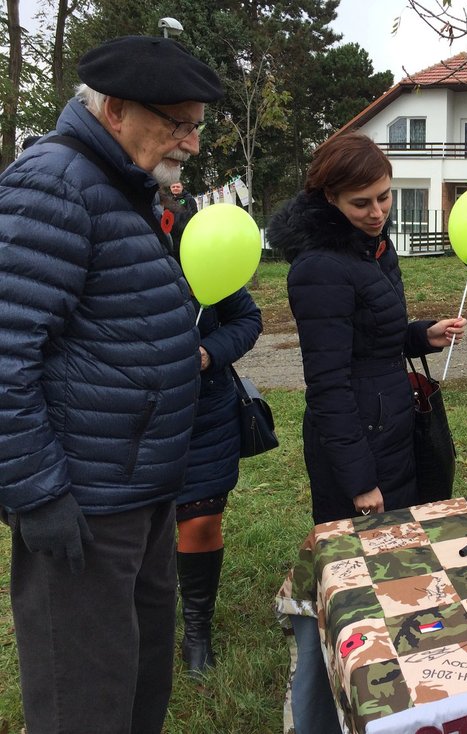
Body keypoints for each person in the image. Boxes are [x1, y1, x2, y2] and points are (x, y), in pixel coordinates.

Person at [0, 35, 222, 732]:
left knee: (136, 682)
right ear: (117, 110)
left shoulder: (116, 183)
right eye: (177, 123)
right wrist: (39, 494)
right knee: (84, 703)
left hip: (139, 493)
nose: (189, 142)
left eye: (195, 124)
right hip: (84, 506)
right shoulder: (55, 183)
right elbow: (6, 352)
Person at [269, 132, 466, 524]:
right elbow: (328, 384)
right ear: (330, 198)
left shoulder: (373, 245)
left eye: (384, 197)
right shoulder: (319, 268)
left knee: (403, 543)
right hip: (357, 435)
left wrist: (423, 335)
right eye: (361, 203)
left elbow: (371, 336)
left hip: (391, 419)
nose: (377, 212)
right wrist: (359, 480)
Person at [174, 286, 262, 676]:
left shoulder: (196, 248)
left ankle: (197, 630)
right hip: (123, 414)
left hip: (204, 415)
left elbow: (247, 319)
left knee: (200, 521)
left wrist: (210, 352)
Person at [160, 178, 199, 248]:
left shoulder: (189, 199)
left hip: (186, 233)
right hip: (172, 235)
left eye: (178, 187)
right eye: (173, 187)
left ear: (182, 187)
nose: (175, 188)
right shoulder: (168, 201)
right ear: (170, 188)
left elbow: (194, 215)